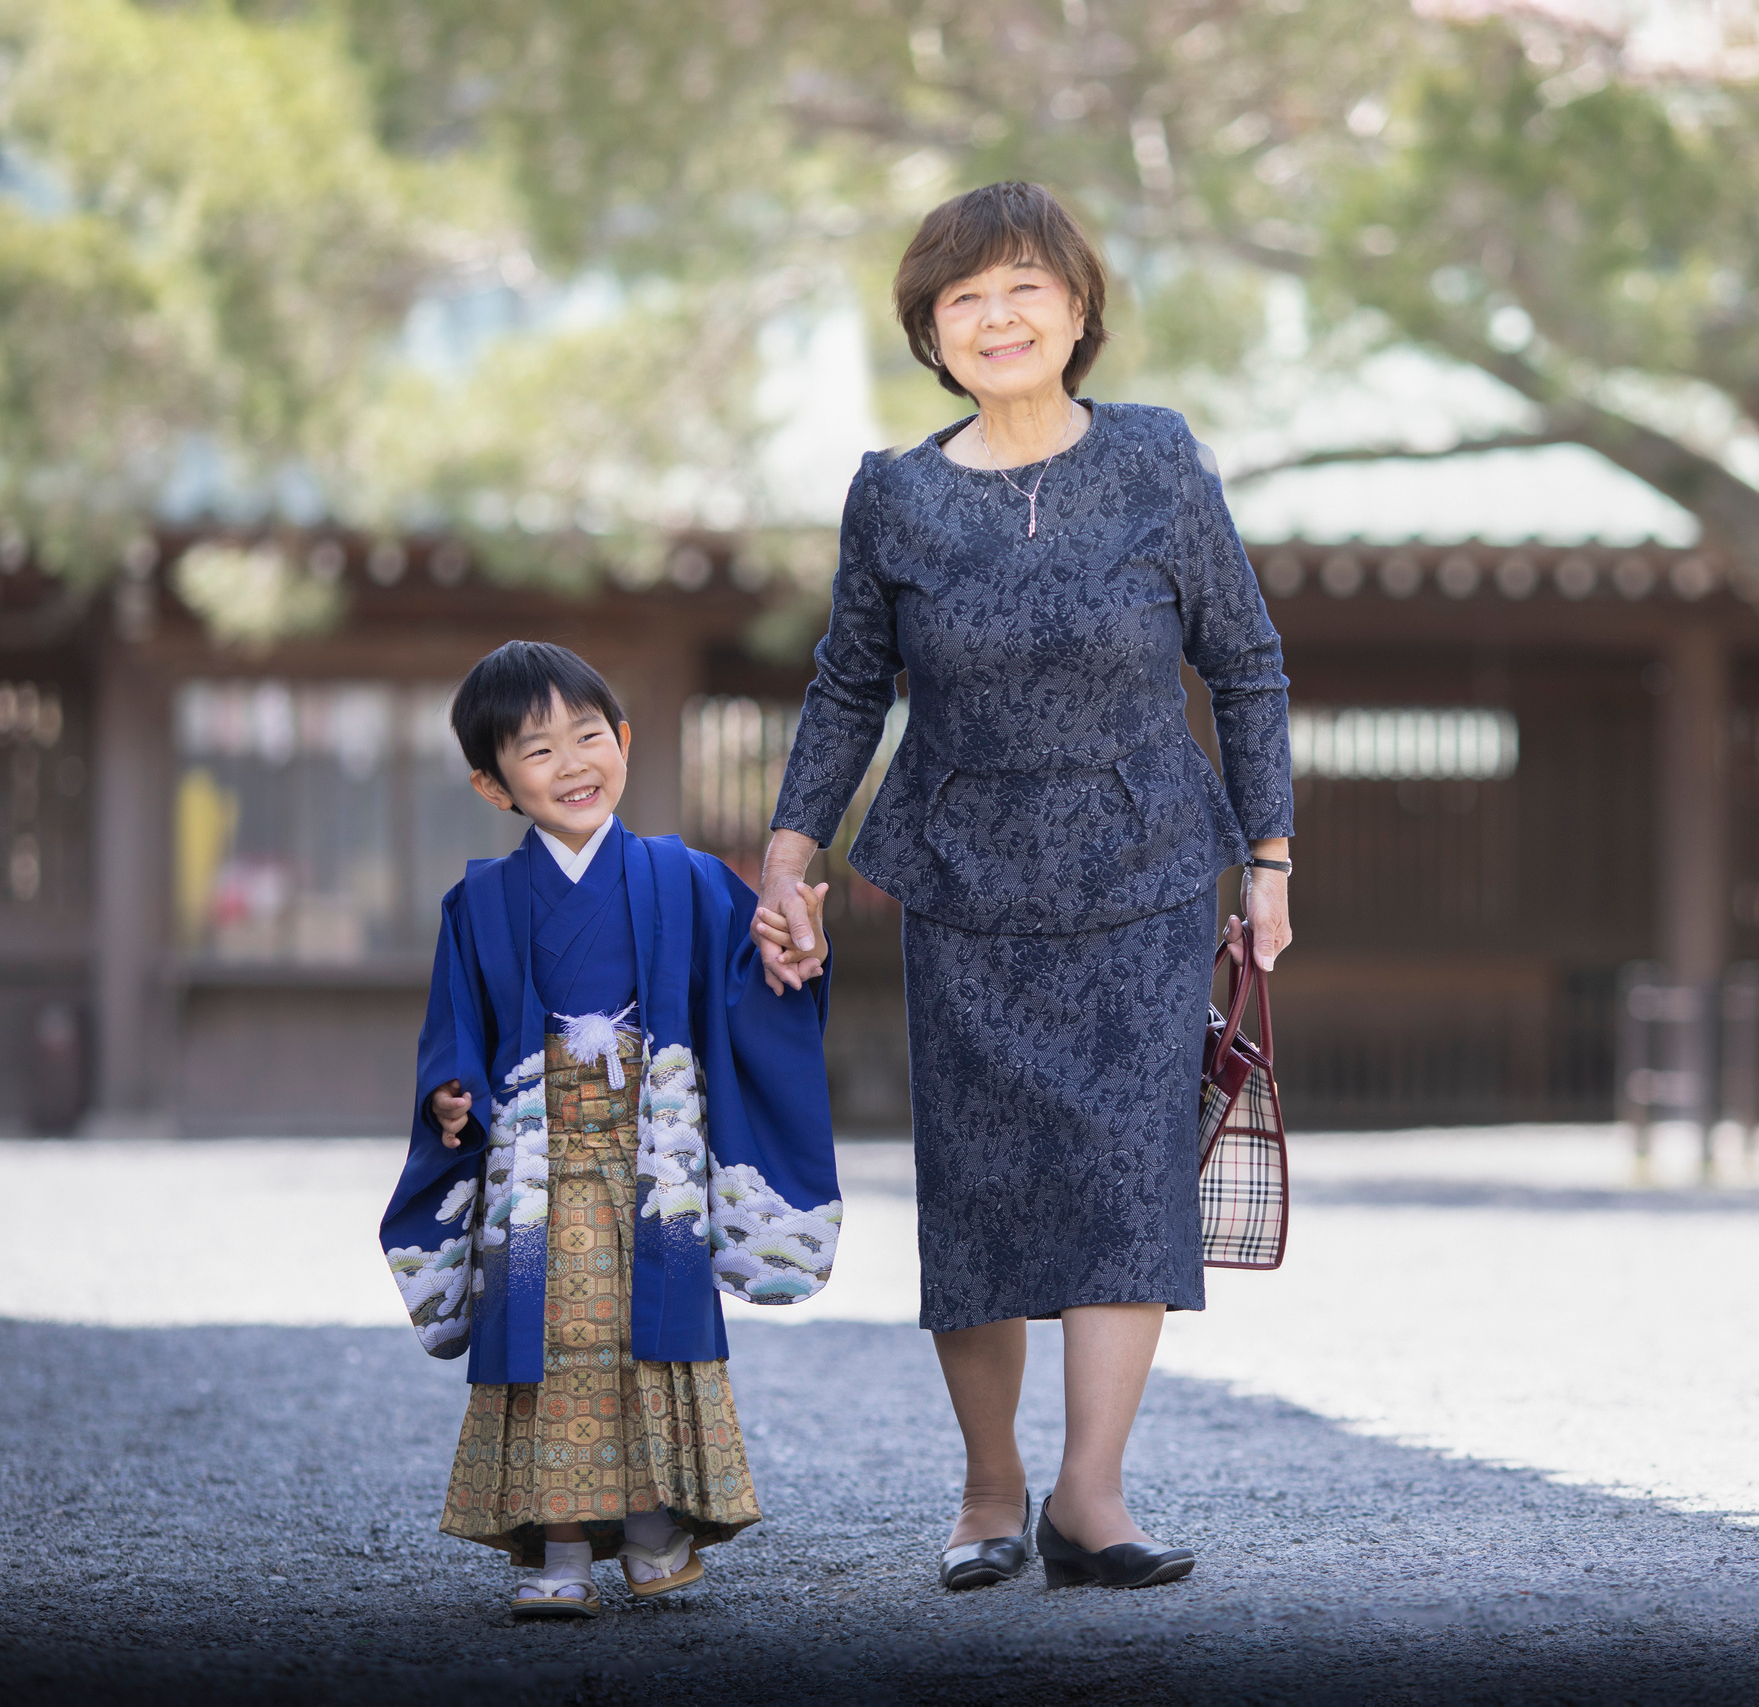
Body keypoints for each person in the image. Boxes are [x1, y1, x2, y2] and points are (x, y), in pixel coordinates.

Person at [755, 182, 1295, 1592]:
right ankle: (990, 1484)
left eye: (1023, 289)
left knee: (1129, 1180)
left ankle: (1090, 1495)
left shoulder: (1159, 457)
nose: (996, 318)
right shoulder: (894, 493)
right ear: (930, 333)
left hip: (1145, 869)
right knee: (981, 1189)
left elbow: (1245, 663)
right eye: (963, 299)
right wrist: (790, 852)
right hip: (963, 880)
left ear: (1078, 308)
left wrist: (1270, 857)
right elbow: (847, 687)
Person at [379, 640, 841, 1619]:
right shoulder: (481, 902)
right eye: (537, 750)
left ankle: (652, 1524)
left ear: (623, 741)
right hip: (536, 1165)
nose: (572, 763)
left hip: (655, 1154)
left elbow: (751, 983)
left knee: (650, 1338)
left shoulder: (685, 878)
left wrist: (788, 961)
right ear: (494, 785)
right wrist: (451, 1092)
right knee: (558, 1337)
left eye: (587, 736)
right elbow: (454, 1028)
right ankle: (558, 1548)